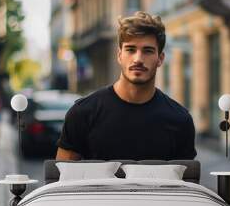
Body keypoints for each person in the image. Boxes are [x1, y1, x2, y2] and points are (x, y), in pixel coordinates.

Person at [55, 11, 196, 161]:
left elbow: (186, 182)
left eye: (148, 51)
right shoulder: (82, 113)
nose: (138, 59)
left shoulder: (180, 119)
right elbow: (62, 179)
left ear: (160, 59)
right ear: (119, 55)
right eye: (130, 50)